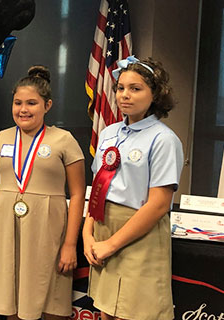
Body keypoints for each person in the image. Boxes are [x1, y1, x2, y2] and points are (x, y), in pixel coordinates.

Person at [83, 56, 184, 320]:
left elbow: (159, 204)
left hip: (138, 232)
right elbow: (97, 188)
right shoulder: (109, 133)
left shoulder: (163, 139)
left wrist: (111, 245)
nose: (125, 95)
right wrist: (87, 233)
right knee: (107, 310)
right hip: (103, 226)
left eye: (135, 88)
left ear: (155, 95)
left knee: (134, 312)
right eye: (121, 88)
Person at [0, 66, 86, 320]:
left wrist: (70, 244)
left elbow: (77, 193)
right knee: (12, 301)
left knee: (51, 301)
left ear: (47, 105)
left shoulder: (64, 140)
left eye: (32, 103)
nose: (23, 109)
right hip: (9, 229)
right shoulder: (1, 139)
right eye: (18, 102)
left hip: (48, 231)